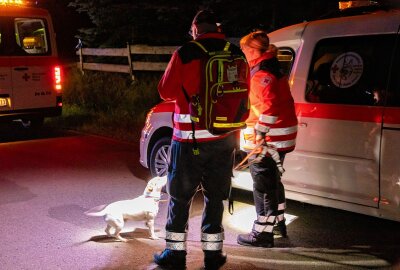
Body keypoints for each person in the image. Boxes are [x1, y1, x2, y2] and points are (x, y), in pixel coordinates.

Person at [153, 10, 245, 270]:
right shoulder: (234, 51)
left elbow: (165, 90)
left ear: (195, 29)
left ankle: (175, 255)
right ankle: (213, 256)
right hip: (224, 136)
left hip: (189, 139)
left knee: (179, 198)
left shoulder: (187, 52)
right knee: (215, 198)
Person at [237, 30, 298, 247]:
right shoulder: (273, 67)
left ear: (253, 50)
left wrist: (260, 134)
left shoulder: (262, 73)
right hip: (282, 137)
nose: (242, 52)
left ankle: (262, 233)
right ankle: (278, 223)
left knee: (262, 186)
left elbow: (269, 106)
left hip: (269, 139)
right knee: (273, 182)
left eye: (244, 49)